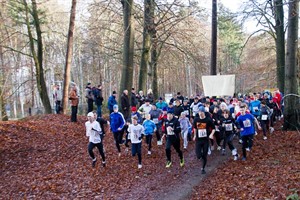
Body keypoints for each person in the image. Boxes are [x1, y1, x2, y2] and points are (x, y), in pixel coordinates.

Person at [193, 106, 215, 174]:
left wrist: (211, 134)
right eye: (199, 112)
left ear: (204, 112)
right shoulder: (196, 119)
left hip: (205, 140)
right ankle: (201, 157)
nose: (200, 113)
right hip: (198, 140)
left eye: (202, 112)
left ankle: (203, 168)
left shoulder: (208, 120)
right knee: (198, 155)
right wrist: (194, 136)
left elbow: (213, 128)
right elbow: (195, 128)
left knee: (205, 155)